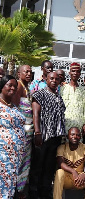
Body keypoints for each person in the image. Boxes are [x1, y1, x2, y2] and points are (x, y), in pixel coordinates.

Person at [30, 72, 66, 198]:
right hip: (43, 136)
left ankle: (44, 192)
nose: (54, 81)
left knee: (49, 167)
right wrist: (38, 132)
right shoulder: (39, 94)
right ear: (46, 79)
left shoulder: (58, 96)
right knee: (38, 166)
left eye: (57, 79)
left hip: (55, 137)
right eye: (51, 78)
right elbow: (36, 114)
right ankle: (34, 193)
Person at [0, 75, 26, 198]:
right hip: (3, 157)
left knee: (9, 186)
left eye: (15, 86)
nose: (13, 88)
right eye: (9, 85)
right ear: (2, 86)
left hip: (15, 158)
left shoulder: (14, 106)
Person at [53, 127, 85, 199]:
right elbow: (60, 163)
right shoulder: (62, 147)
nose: (75, 137)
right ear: (67, 136)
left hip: (80, 180)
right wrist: (73, 171)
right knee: (59, 172)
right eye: (72, 134)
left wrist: (84, 174)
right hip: (67, 180)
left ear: (80, 137)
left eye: (77, 135)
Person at [12, 65, 34, 198]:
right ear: (19, 73)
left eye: (30, 72)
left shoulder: (27, 88)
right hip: (21, 132)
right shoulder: (19, 87)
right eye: (26, 71)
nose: (29, 73)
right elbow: (15, 109)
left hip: (28, 132)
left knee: (24, 162)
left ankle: (20, 189)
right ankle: (15, 190)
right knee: (18, 162)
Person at [60, 62, 85, 135]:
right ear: (69, 73)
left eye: (78, 71)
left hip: (79, 122)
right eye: (73, 71)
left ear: (80, 74)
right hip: (65, 122)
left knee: (77, 144)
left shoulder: (83, 90)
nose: (75, 73)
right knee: (64, 144)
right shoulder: (63, 88)